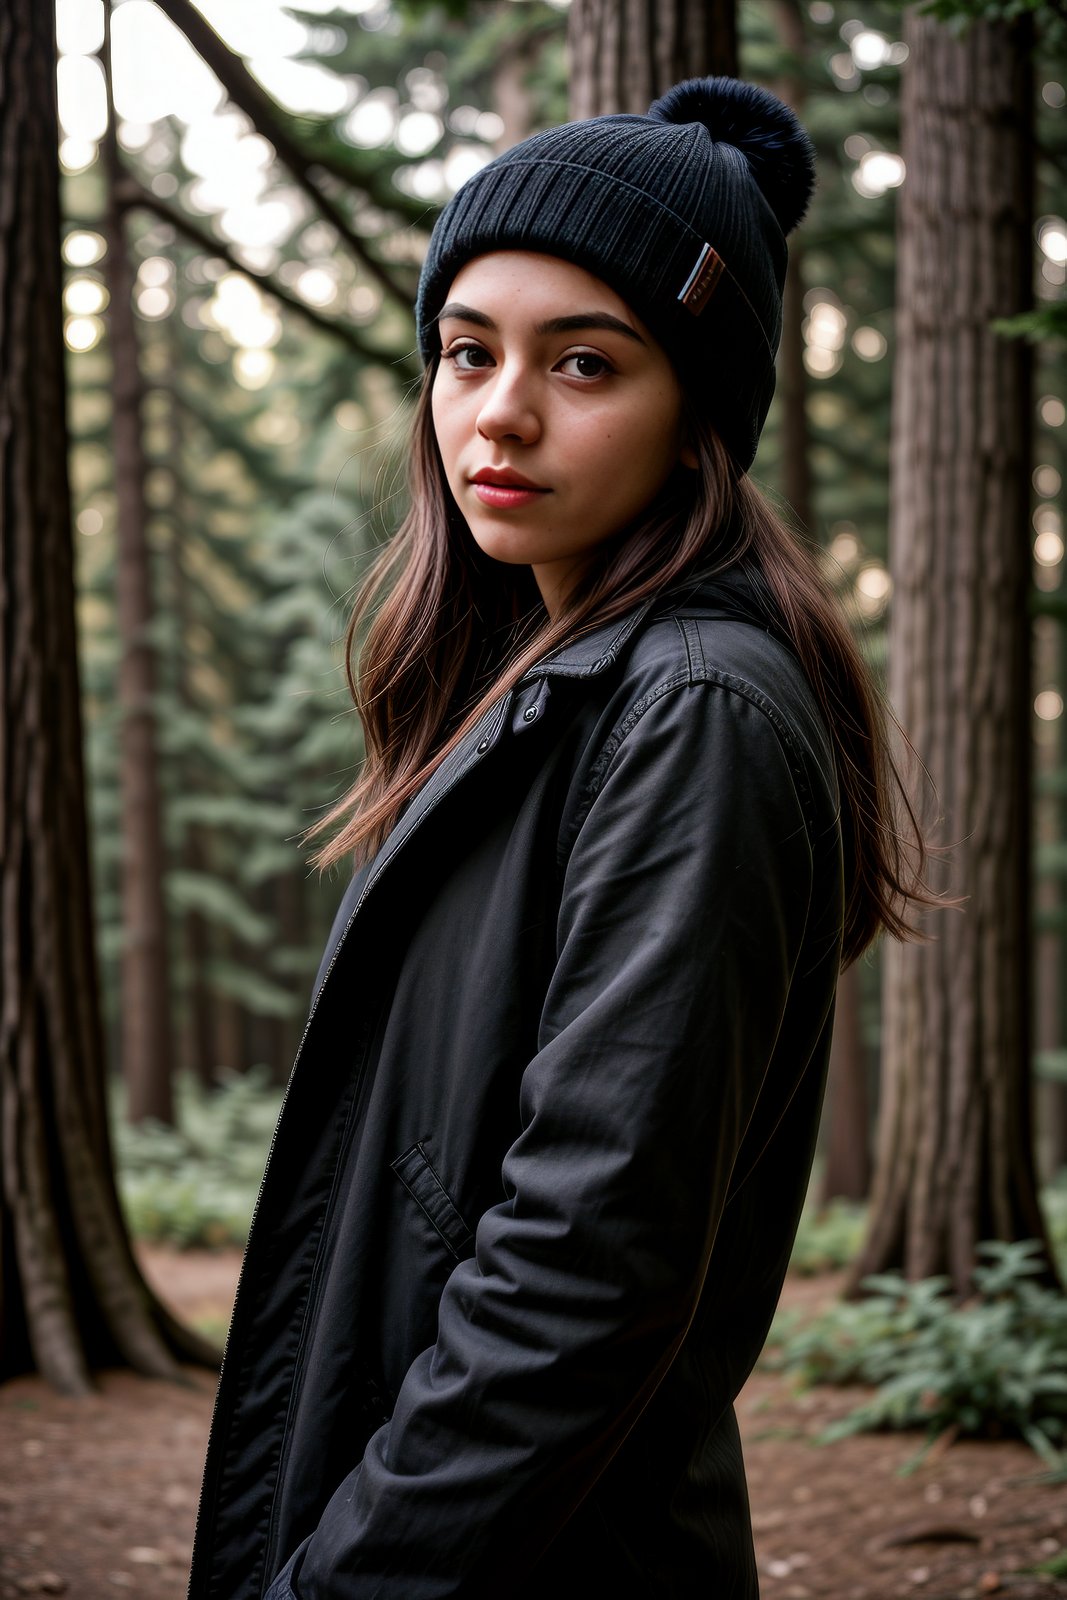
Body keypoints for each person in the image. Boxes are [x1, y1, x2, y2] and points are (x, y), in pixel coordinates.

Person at [187, 77, 933, 1600]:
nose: (499, 412)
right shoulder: (536, 694)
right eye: (468, 352)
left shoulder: (694, 712)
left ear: (697, 411)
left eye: (584, 362)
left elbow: (583, 1275)